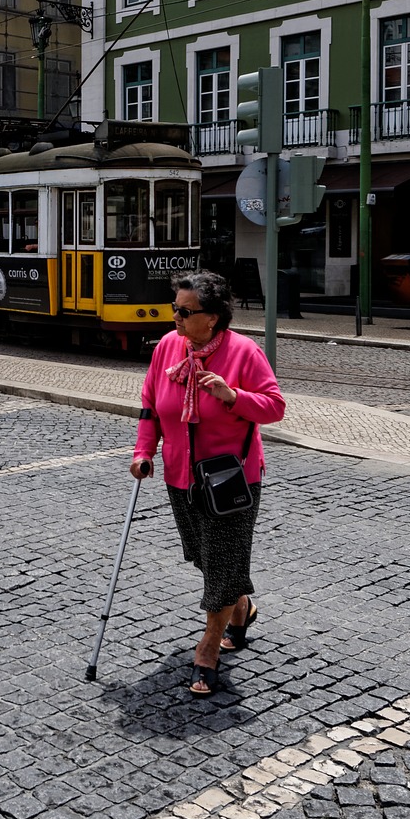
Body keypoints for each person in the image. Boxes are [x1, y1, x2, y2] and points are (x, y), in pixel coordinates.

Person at [131, 272, 286, 699]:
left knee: (220, 566)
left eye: (184, 311)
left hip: (231, 481)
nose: (175, 318)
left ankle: (207, 651)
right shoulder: (167, 348)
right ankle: (242, 610)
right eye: (174, 309)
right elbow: (150, 405)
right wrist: (143, 452)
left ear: (213, 318)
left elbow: (274, 407)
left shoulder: (244, 354)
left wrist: (232, 395)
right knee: (205, 558)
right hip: (181, 477)